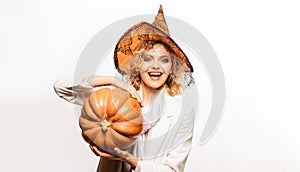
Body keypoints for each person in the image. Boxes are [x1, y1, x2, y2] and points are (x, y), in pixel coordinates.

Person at [54, 5, 195, 172]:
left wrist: (130, 159)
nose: (156, 66)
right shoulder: (114, 99)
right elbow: (61, 87)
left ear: (172, 67)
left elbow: (173, 170)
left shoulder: (182, 113)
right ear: (137, 64)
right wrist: (112, 81)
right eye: (148, 59)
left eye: (164, 60)